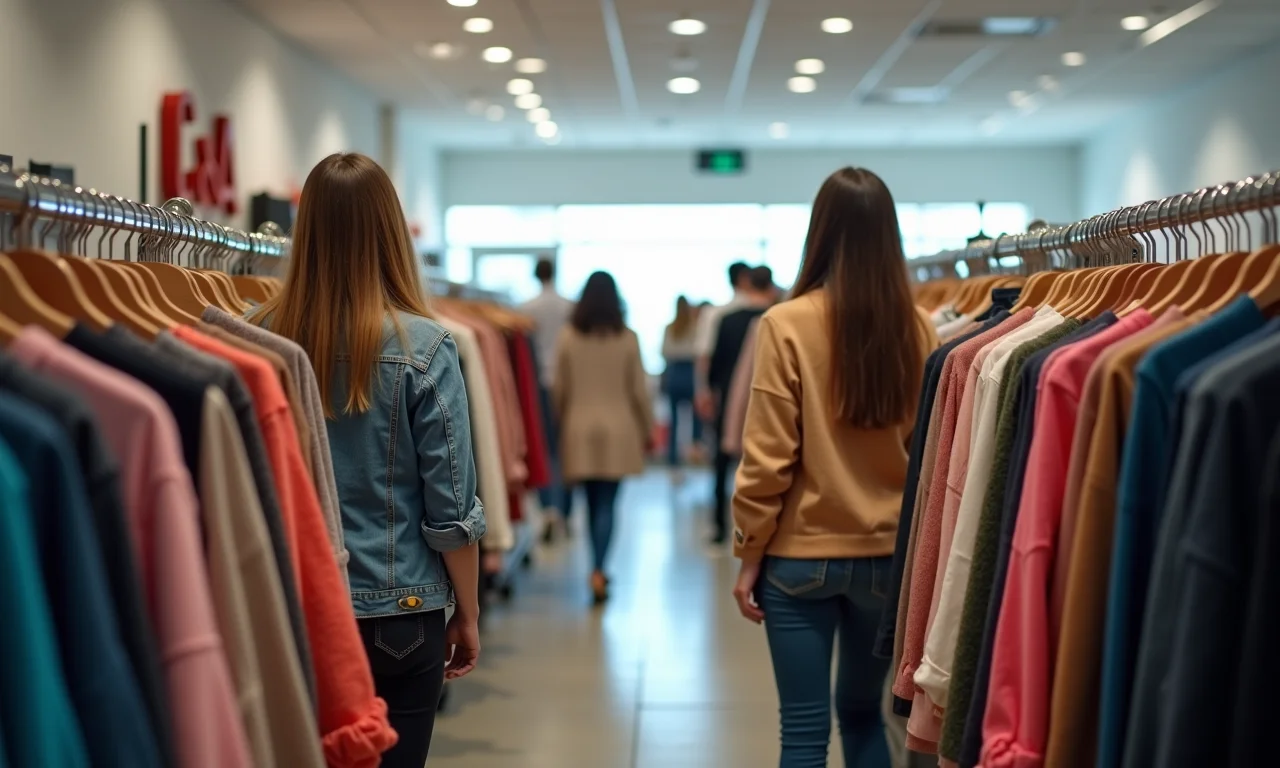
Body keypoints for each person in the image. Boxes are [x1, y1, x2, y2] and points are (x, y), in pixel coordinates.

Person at [248, 153, 487, 768]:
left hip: (289, 610)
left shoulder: (252, 338)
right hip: (402, 615)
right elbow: (451, 508)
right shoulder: (425, 347)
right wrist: (468, 610)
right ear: (390, 233)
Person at [730, 167, 940, 767]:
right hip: (886, 560)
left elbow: (767, 460)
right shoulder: (919, 327)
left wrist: (749, 557)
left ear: (819, 233)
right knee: (862, 717)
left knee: (803, 731)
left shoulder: (786, 323)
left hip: (799, 557)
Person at [553, 271, 654, 604]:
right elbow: (639, 390)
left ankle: (594, 567)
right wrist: (648, 428)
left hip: (578, 428)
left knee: (588, 503)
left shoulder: (568, 337)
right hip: (619, 429)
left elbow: (560, 390)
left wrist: (558, 423)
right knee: (608, 504)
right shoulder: (628, 338)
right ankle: (599, 569)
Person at [706, 265, 775, 545]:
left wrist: (711, 391)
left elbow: (716, 362)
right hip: (767, 402)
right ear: (770, 287)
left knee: (722, 464)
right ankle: (755, 530)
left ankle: (721, 527)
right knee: (761, 468)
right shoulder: (777, 319)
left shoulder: (728, 320)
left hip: (730, 398)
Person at [519, 258, 575, 540]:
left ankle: (549, 506)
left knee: (543, 446)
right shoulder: (569, 306)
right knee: (565, 448)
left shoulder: (527, 309)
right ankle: (565, 509)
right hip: (567, 382)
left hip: (539, 382)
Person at [695, 261, 752, 420]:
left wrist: (703, 390)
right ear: (744, 278)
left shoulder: (713, 314)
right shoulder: (766, 312)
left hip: (724, 387)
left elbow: (704, 356)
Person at [661, 295, 702, 466]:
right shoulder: (695, 326)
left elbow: (664, 351)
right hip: (690, 372)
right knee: (696, 417)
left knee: (674, 420)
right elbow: (699, 351)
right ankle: (694, 452)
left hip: (674, 372)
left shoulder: (670, 328)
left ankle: (673, 460)